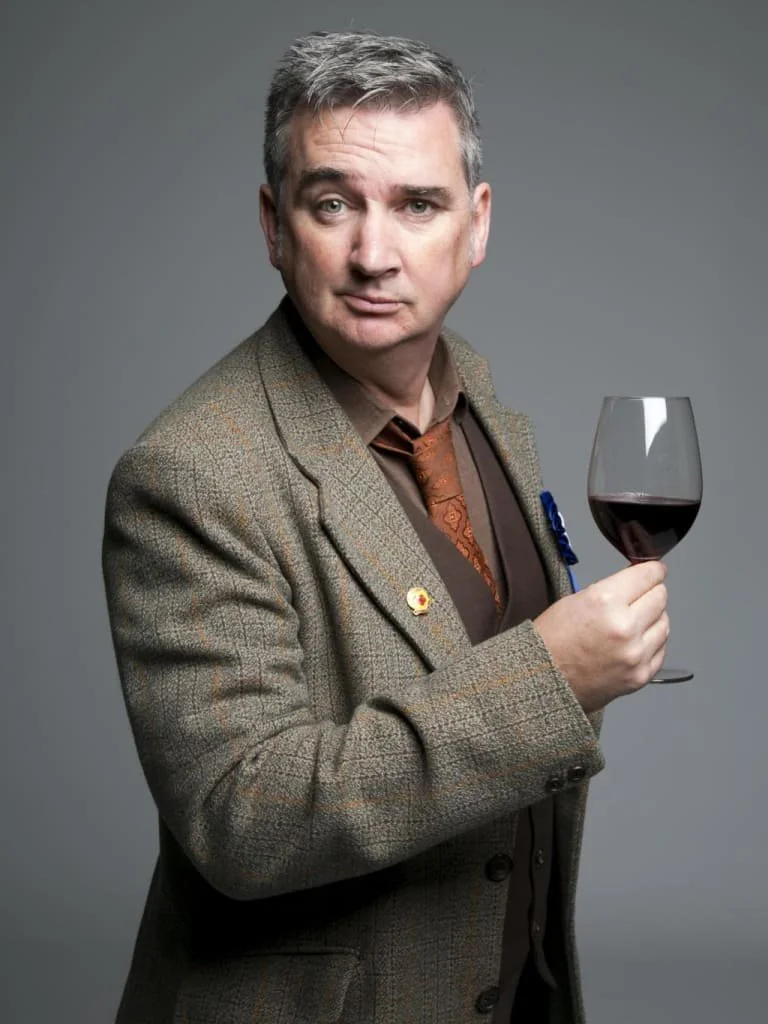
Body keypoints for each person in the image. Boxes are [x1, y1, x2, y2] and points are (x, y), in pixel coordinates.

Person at [102, 30, 669, 1024]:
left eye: (417, 204)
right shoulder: (191, 473)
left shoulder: (474, 389)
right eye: (333, 205)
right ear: (275, 226)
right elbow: (245, 815)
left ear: (477, 224)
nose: (374, 253)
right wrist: (553, 679)